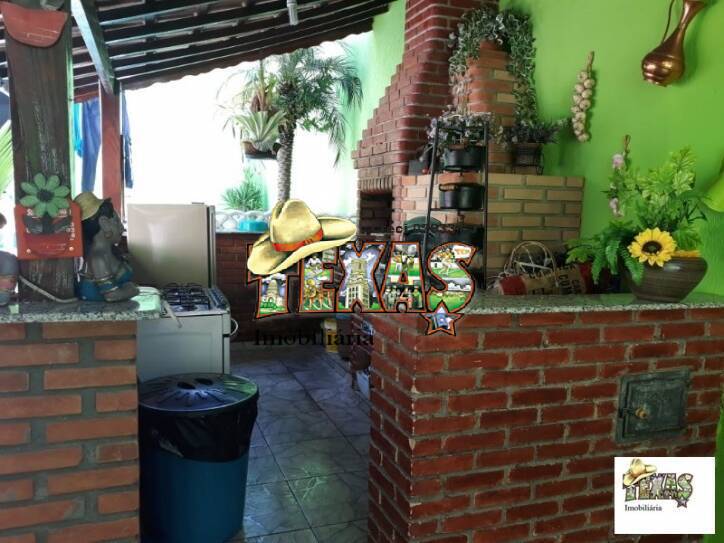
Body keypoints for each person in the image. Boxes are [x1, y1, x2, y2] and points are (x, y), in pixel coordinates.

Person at [75, 193, 139, 302]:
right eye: (117, 222)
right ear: (104, 224)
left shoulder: (110, 252)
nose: (122, 228)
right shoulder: (98, 259)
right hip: (98, 311)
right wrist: (133, 289)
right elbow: (112, 295)